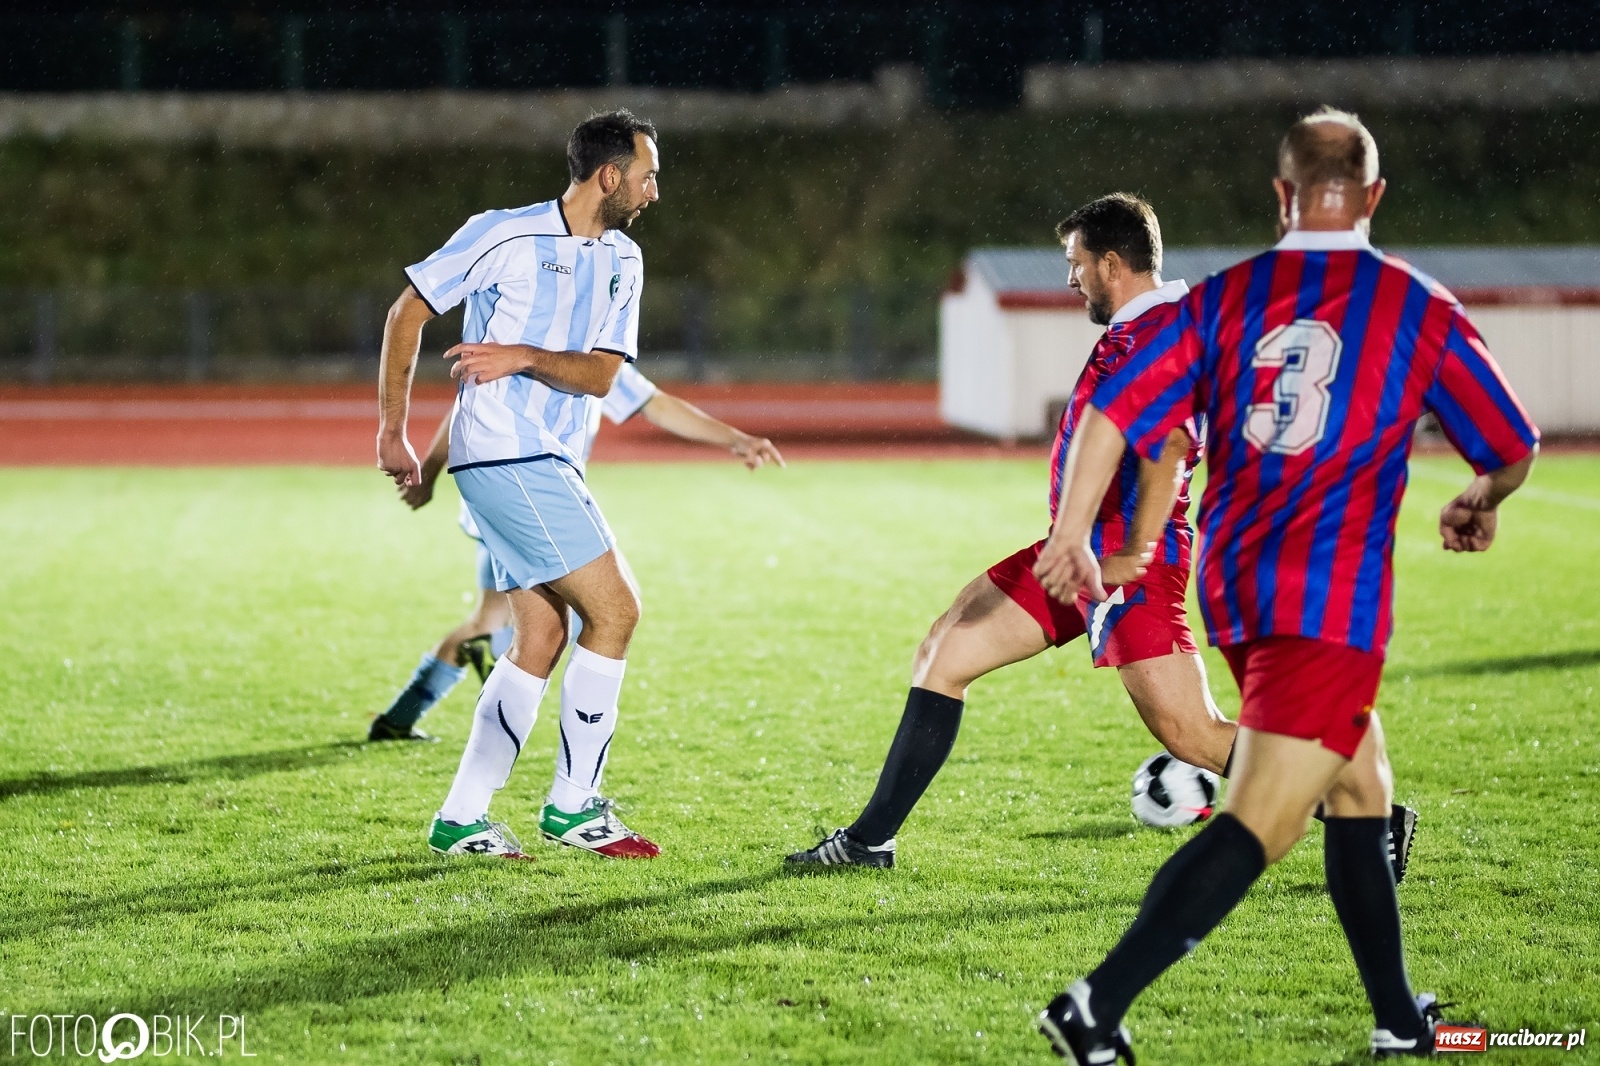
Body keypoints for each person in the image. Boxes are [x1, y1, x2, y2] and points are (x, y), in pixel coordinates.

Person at [1032, 108, 1538, 1063]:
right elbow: (1513, 445)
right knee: (1258, 823)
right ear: (1375, 197)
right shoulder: (1413, 304)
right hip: (1327, 599)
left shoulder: (1225, 298)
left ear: (1280, 196)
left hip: (1236, 588)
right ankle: (1095, 1004)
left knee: (1360, 791)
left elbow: (1114, 406)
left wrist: (1068, 531)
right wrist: (1483, 493)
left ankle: (1398, 1020)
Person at [789, 193, 1239, 870]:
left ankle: (1359, 807)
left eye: (1076, 261)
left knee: (1193, 734)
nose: (1069, 277)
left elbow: (1170, 445)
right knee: (946, 649)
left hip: (1122, 565)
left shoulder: (1162, 336)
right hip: (1075, 555)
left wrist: (1131, 553)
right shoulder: (1143, 328)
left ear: (1112, 263)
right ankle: (868, 842)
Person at [378, 109, 675, 860]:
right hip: (508, 454)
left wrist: (523, 353)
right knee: (616, 611)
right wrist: (392, 430)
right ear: (609, 175)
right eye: (646, 176)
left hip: (549, 458)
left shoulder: (625, 263)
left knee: (540, 634)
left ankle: (460, 818)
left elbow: (602, 376)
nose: (653, 192)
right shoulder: (502, 234)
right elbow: (407, 313)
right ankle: (573, 808)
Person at [368, 361, 783, 743]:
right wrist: (431, 470)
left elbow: (655, 404)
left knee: (496, 619)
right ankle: (511, 708)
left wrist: (736, 439)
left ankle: (401, 718)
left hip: (521, 502)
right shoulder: (538, 344)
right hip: (524, 501)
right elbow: (468, 405)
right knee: (587, 616)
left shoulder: (593, 352)